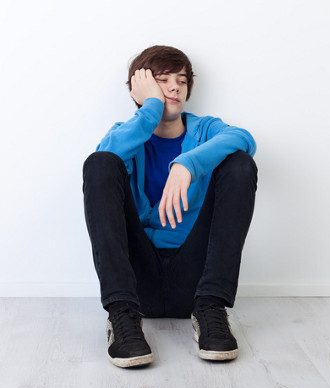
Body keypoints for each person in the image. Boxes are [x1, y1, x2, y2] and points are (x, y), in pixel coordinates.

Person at [82, 45, 257, 368]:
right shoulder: (125, 136)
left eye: (182, 80)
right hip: (138, 282)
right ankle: (121, 317)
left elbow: (244, 137)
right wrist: (149, 109)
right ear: (141, 88)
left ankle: (212, 310)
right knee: (101, 163)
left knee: (240, 163)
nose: (176, 86)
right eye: (163, 80)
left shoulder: (205, 130)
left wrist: (188, 163)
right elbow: (102, 163)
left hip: (196, 280)